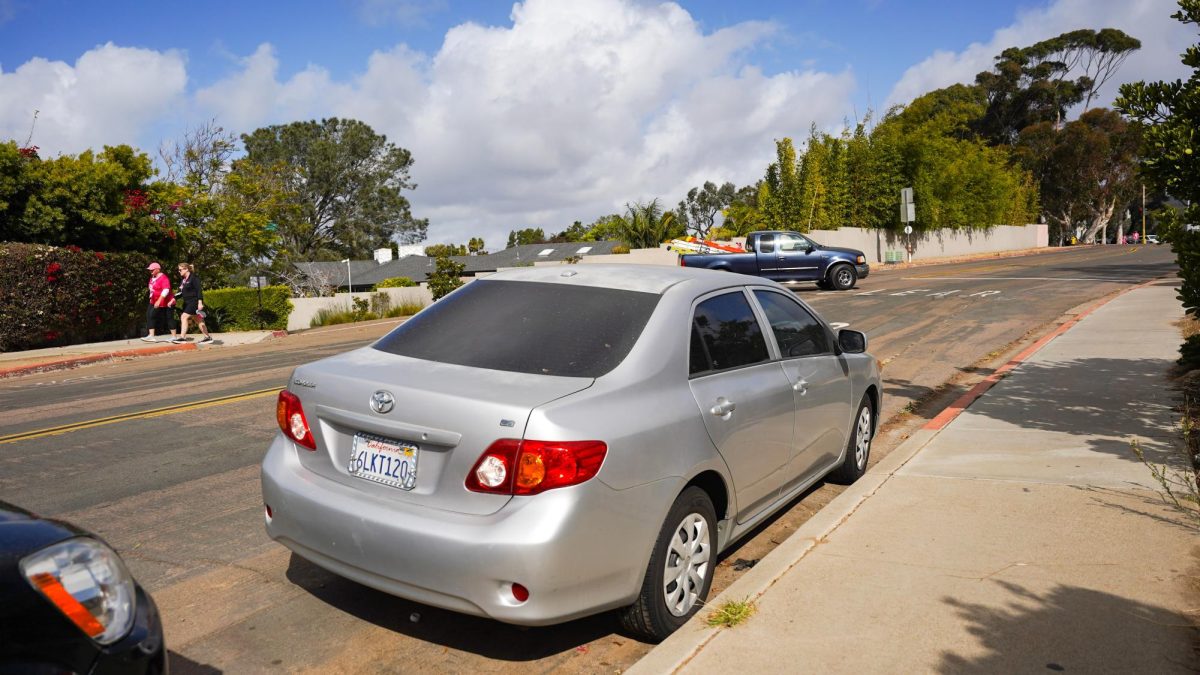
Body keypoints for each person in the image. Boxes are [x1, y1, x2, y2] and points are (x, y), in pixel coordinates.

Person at [173, 262, 213, 344]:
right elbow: (180, 292)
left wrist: (200, 302)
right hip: (187, 302)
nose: (179, 271)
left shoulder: (194, 278)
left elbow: (199, 291)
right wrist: (173, 299)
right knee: (198, 319)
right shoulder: (183, 281)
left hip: (194, 301)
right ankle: (207, 337)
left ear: (186, 269)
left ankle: (182, 338)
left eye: (180, 270)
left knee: (184, 317)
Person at [142, 262, 176, 342]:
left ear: (158, 269)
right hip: (154, 300)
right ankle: (151, 335)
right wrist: (151, 298)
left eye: (152, 270)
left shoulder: (164, 278)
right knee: (149, 315)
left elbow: (166, 290)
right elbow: (152, 289)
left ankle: (174, 336)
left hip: (167, 302)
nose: (150, 271)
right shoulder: (152, 278)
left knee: (169, 318)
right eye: (150, 270)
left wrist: (159, 301)